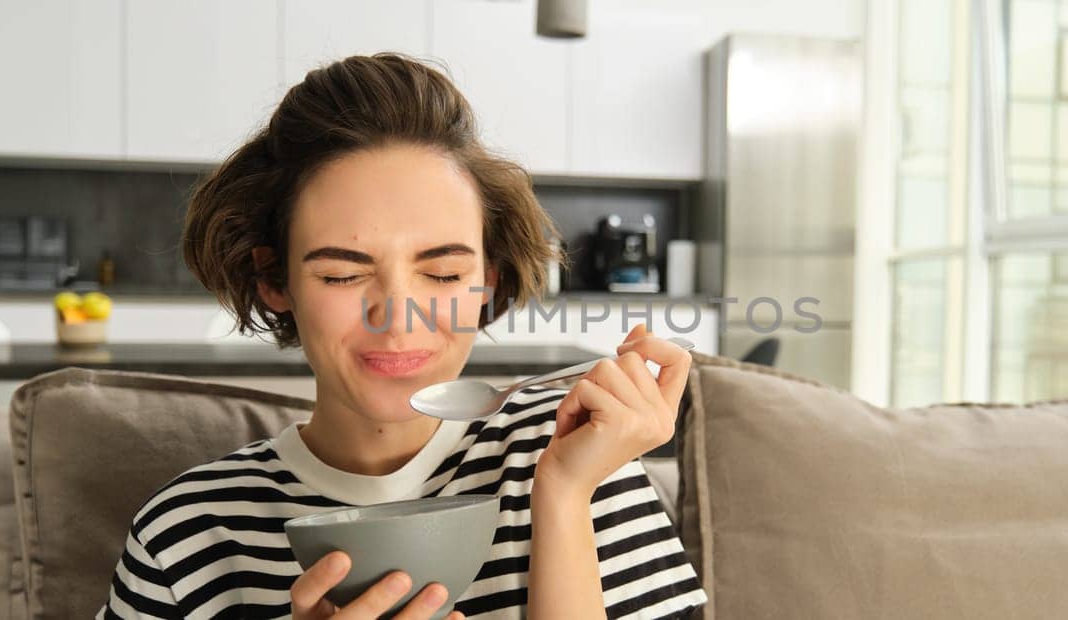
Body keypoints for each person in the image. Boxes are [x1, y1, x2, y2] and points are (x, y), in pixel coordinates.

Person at [98, 53, 707, 620]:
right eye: (342, 274)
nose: (398, 317)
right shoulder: (189, 530)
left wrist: (565, 497)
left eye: (443, 273)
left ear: (486, 281)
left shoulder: (576, 453)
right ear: (273, 280)